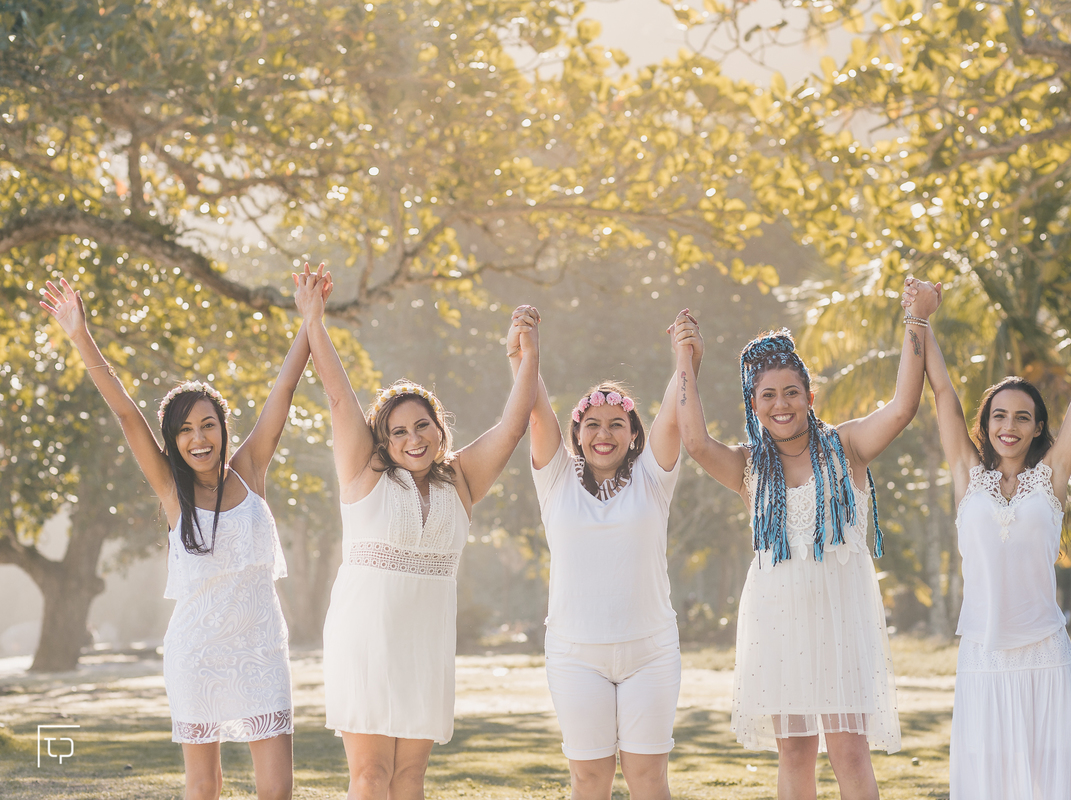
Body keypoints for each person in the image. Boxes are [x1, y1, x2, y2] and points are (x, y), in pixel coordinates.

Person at [40, 267, 333, 800]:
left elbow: (284, 391)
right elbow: (128, 415)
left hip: (262, 647)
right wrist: (81, 336)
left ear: (223, 427)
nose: (198, 439)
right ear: (173, 442)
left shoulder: (251, 470)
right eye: (183, 431)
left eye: (207, 424)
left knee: (278, 791)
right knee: (203, 787)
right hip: (197, 649)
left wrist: (309, 323)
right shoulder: (171, 491)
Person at [670, 283, 939, 800]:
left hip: (842, 615)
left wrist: (917, 320)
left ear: (809, 397)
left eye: (791, 392)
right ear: (754, 404)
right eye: (767, 396)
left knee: (848, 749)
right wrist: (687, 360)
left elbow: (904, 406)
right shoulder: (751, 467)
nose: (781, 405)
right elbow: (697, 442)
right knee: (794, 751)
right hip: (778, 616)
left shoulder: (848, 447)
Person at [294, 269, 540, 800]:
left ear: (438, 427)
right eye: (399, 431)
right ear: (384, 439)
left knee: (410, 778)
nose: (412, 439)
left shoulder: (462, 480)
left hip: (425, 641)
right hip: (366, 637)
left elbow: (514, 425)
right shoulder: (366, 474)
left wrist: (524, 354)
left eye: (422, 426)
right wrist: (315, 323)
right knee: (370, 776)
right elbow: (340, 399)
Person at [910, 275, 1071, 799]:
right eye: (998, 416)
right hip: (984, 658)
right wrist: (922, 321)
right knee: (989, 783)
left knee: (1047, 785)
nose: (1008, 426)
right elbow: (942, 392)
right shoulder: (969, 477)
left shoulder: (1051, 479)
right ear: (985, 424)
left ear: (1038, 428)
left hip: (1045, 656)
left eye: (1022, 417)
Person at [513, 309, 697, 800]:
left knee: (648, 780)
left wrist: (684, 355)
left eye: (617, 424)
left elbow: (674, 414)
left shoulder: (652, 479)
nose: (604, 433)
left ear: (633, 434)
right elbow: (535, 409)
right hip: (576, 657)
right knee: (589, 781)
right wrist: (526, 353)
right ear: (576, 434)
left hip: (651, 654)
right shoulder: (554, 480)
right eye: (592, 424)